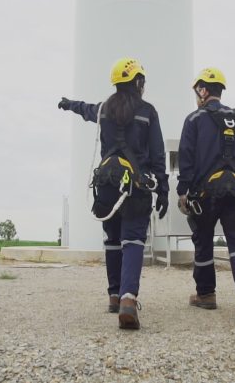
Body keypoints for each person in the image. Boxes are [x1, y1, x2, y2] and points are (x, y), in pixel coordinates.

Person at [57, 57, 169, 330]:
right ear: (138, 81)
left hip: (107, 185)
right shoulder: (148, 112)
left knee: (112, 240)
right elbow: (157, 154)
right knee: (132, 241)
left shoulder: (104, 109)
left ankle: (114, 295)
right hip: (136, 187)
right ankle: (128, 300)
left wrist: (69, 104)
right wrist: (163, 189)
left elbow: (86, 109)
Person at [177, 67, 235, 324]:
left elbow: (186, 160)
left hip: (204, 193)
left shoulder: (194, 120)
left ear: (202, 90)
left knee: (203, 240)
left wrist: (183, 191)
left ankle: (206, 294)